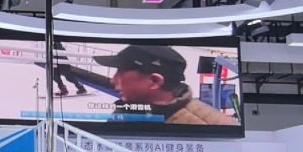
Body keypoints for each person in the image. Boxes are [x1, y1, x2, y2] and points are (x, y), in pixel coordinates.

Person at [92, 45, 236, 126]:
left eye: (120, 72)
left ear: (155, 81)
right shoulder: (129, 108)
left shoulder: (212, 125)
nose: (113, 80)